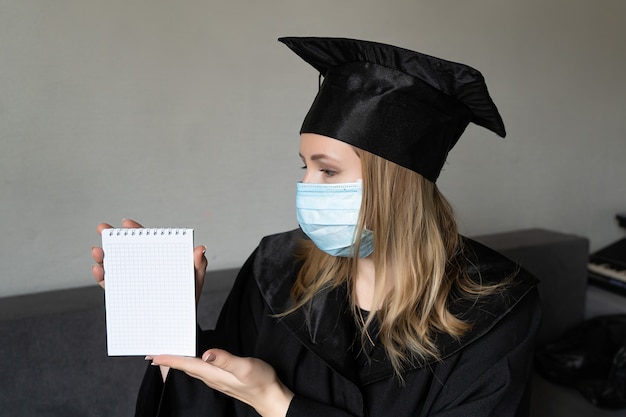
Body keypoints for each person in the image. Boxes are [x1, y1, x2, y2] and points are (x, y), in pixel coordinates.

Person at [91, 37, 541, 417]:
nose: (306, 188)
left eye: (327, 172)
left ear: (397, 186)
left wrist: (279, 403)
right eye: (304, 167)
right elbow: (214, 401)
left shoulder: (496, 305)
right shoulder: (276, 268)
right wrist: (168, 323)